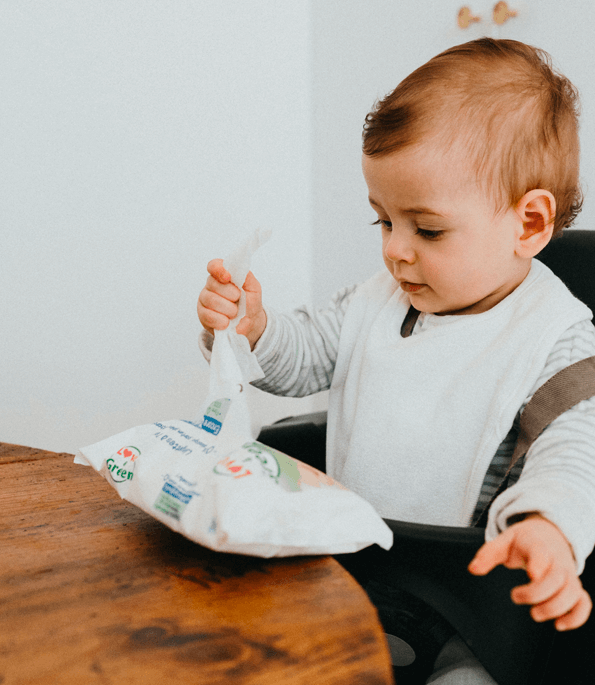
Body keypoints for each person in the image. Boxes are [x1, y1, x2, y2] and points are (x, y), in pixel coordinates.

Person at [197, 38, 595, 683]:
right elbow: (297, 363)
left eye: (427, 229)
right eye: (382, 221)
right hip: (350, 573)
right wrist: (251, 329)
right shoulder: (378, 300)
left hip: (466, 606)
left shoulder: (558, 339)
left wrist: (547, 525)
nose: (396, 252)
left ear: (528, 224)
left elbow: (577, 452)